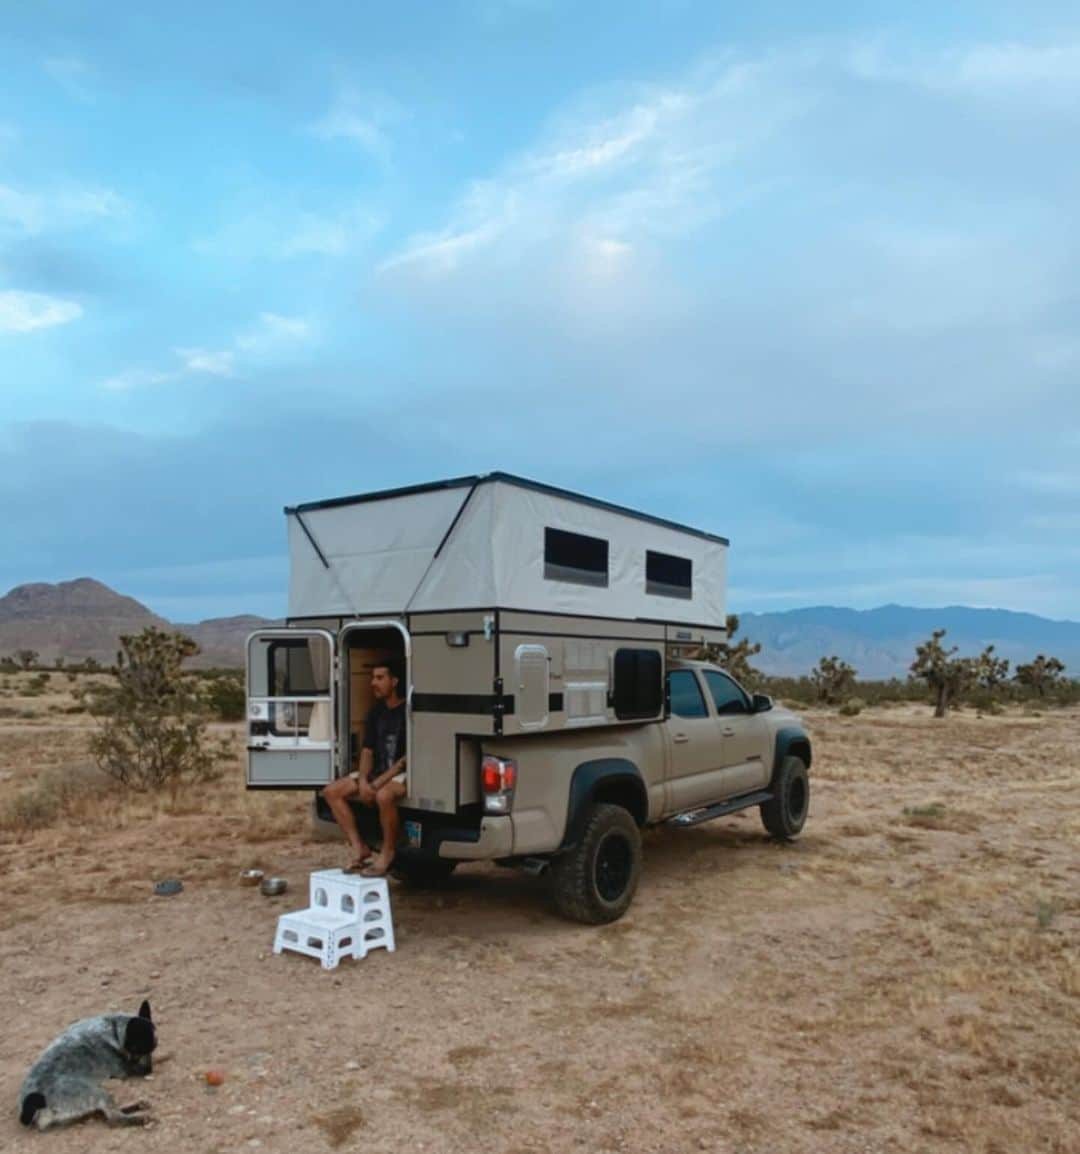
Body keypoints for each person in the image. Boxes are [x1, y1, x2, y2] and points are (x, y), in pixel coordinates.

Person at [321, 658, 407, 877]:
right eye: (372, 678)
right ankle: (360, 848)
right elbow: (367, 751)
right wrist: (362, 781)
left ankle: (387, 853)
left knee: (384, 797)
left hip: (400, 773)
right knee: (331, 792)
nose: (373, 683)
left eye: (380, 678)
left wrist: (375, 785)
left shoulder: (408, 713)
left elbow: (402, 763)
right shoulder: (376, 713)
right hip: (377, 771)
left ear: (394, 681)